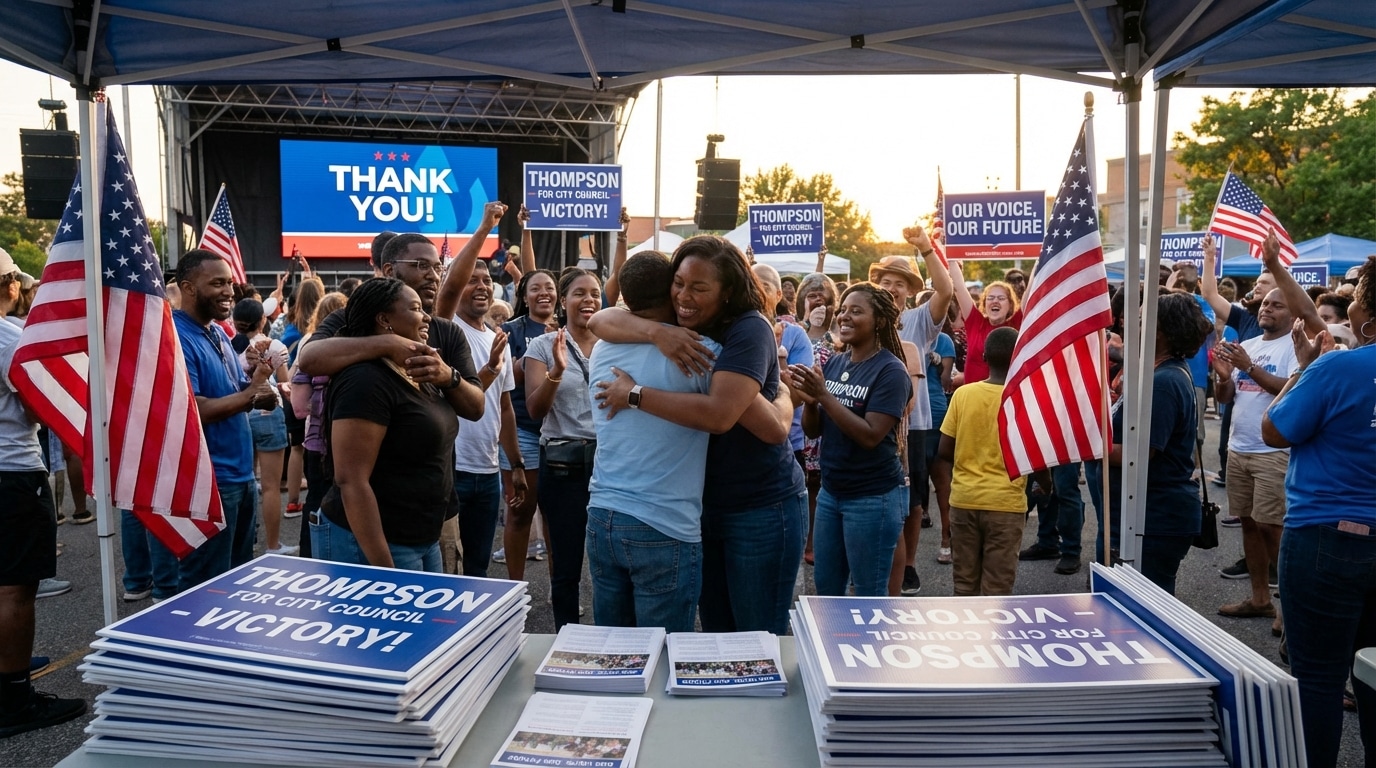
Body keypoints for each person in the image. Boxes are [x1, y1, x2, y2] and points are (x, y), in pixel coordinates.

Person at [590, 235, 803, 635]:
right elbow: (597, 320)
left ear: (728, 291)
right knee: (717, 636)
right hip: (702, 507)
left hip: (759, 504)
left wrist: (634, 393)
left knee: (757, 638)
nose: (684, 296)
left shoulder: (739, 334)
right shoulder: (677, 332)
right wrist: (656, 333)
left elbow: (751, 423)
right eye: (679, 283)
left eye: (699, 287)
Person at [1263, 255, 1376, 768]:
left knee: (1319, 679)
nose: (1348, 304)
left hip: (1327, 538)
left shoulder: (1338, 366)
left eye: (1355, 298)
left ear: (1368, 320)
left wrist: (1303, 370)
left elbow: (1275, 429)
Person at [585, 252, 720, 631]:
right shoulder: (698, 352)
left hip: (603, 514)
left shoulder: (602, 349)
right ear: (673, 292)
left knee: (614, 655)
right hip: (664, 523)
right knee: (662, 658)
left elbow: (602, 319)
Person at [0, 249, 86, 738]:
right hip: (11, 470)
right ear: (10, 284)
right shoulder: (12, 338)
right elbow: (39, 406)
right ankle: (13, 698)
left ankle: (7, 665)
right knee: (16, 589)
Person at [313, 279, 456, 572]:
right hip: (375, 544)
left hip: (421, 538)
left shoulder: (415, 369)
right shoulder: (365, 381)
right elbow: (351, 480)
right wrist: (385, 571)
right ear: (384, 320)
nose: (427, 315)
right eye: (416, 308)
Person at [791, 283, 911, 597]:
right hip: (832, 493)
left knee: (870, 593)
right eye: (843, 309)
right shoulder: (836, 362)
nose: (845, 316)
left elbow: (871, 435)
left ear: (879, 321)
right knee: (827, 589)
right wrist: (810, 401)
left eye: (856, 311)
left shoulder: (891, 371)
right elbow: (815, 431)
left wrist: (823, 395)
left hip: (872, 498)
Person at [172, 250, 278, 588]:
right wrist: (251, 395)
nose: (229, 291)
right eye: (217, 283)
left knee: (235, 583)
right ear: (188, 288)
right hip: (210, 482)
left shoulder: (218, 333)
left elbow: (238, 392)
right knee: (207, 588)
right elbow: (194, 409)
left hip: (241, 477)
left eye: (230, 282)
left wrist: (260, 382)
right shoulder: (176, 336)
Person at [1106, 292, 1212, 594]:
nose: (1131, 326)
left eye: (1140, 320)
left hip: (1157, 516)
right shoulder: (1162, 373)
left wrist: (1086, 444)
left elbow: (1137, 455)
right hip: (1151, 512)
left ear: (1160, 331)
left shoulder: (1164, 382)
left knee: (1148, 607)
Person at [432, 239, 526, 578]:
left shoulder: (496, 338)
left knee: (478, 568)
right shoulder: (446, 330)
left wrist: (515, 464)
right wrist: (486, 228)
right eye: (473, 279)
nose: (482, 285)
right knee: (448, 568)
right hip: (451, 471)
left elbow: (505, 408)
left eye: (487, 279)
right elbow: (448, 292)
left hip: (487, 475)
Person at [868, 227, 954, 596]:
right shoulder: (864, 315)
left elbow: (946, 291)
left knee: (913, 501)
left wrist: (926, 248)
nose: (891, 287)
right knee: (875, 497)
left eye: (899, 282)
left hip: (914, 426)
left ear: (908, 289)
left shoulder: (920, 320)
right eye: (885, 280)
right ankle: (876, 563)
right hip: (871, 421)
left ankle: (908, 567)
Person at [1212, 286, 1299, 628]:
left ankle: (1288, 608)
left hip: (1273, 451)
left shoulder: (1294, 346)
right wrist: (1222, 377)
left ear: (1293, 313)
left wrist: (1248, 368)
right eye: (1265, 304)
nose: (1267, 309)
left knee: (1271, 527)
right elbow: (1227, 396)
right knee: (1248, 523)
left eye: (1277, 305)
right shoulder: (1247, 346)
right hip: (1240, 448)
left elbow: (1287, 389)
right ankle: (1260, 599)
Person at [936, 327, 1040, 596]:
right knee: (997, 588)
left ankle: (965, 637)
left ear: (983, 356)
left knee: (964, 585)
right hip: (1006, 506)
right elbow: (1034, 454)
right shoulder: (1025, 398)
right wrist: (1046, 484)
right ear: (1019, 357)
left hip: (964, 500)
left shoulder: (963, 395)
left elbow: (945, 449)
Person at [525, 268, 602, 628]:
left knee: (608, 562)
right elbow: (535, 409)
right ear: (563, 301)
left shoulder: (613, 346)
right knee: (566, 564)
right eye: (579, 293)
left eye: (595, 293)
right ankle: (566, 638)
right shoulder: (542, 346)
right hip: (563, 467)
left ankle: (613, 639)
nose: (589, 300)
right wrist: (557, 370)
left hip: (609, 465)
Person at [232, 298, 296, 556]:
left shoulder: (227, 346)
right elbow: (285, 383)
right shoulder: (275, 345)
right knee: (270, 486)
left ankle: (246, 544)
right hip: (269, 412)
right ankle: (273, 545)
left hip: (240, 412)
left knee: (247, 483)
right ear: (262, 320)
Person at [289, 291, 347, 560]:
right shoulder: (356, 351)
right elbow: (300, 409)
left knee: (317, 501)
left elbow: (300, 408)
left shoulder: (310, 348)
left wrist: (320, 404)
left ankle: (311, 559)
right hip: (346, 444)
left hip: (319, 443)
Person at [795, 271, 839, 565]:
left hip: (824, 416)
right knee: (800, 480)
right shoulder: (792, 332)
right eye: (811, 295)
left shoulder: (838, 338)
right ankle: (799, 537)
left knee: (818, 483)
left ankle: (814, 540)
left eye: (822, 295)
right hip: (795, 416)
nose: (817, 299)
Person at [947, 262, 1021, 387]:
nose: (995, 301)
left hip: (1005, 399)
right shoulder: (975, 322)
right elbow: (959, 287)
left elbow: (1033, 290)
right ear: (984, 303)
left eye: (1001, 298)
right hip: (974, 398)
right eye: (990, 298)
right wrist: (951, 258)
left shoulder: (1016, 324)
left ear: (1010, 305)